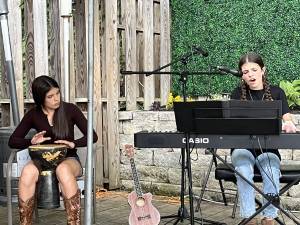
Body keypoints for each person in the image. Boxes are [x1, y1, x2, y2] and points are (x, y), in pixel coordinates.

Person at [8, 76, 98, 225]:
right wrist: (31, 141)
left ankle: (73, 223)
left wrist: (73, 144)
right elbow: (13, 141)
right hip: (41, 161)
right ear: (40, 98)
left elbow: (92, 136)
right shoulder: (33, 114)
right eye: (50, 96)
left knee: (62, 169)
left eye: (57, 93)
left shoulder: (70, 109)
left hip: (69, 160)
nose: (56, 98)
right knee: (27, 172)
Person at [230, 52, 297, 225]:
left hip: (269, 149)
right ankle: (249, 217)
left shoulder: (277, 92)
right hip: (242, 148)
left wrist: (289, 124)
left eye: (254, 70)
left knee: (271, 168)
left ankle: (269, 217)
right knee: (243, 170)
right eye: (245, 72)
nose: (250, 75)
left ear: (263, 70)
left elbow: (287, 119)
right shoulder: (237, 94)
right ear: (242, 75)